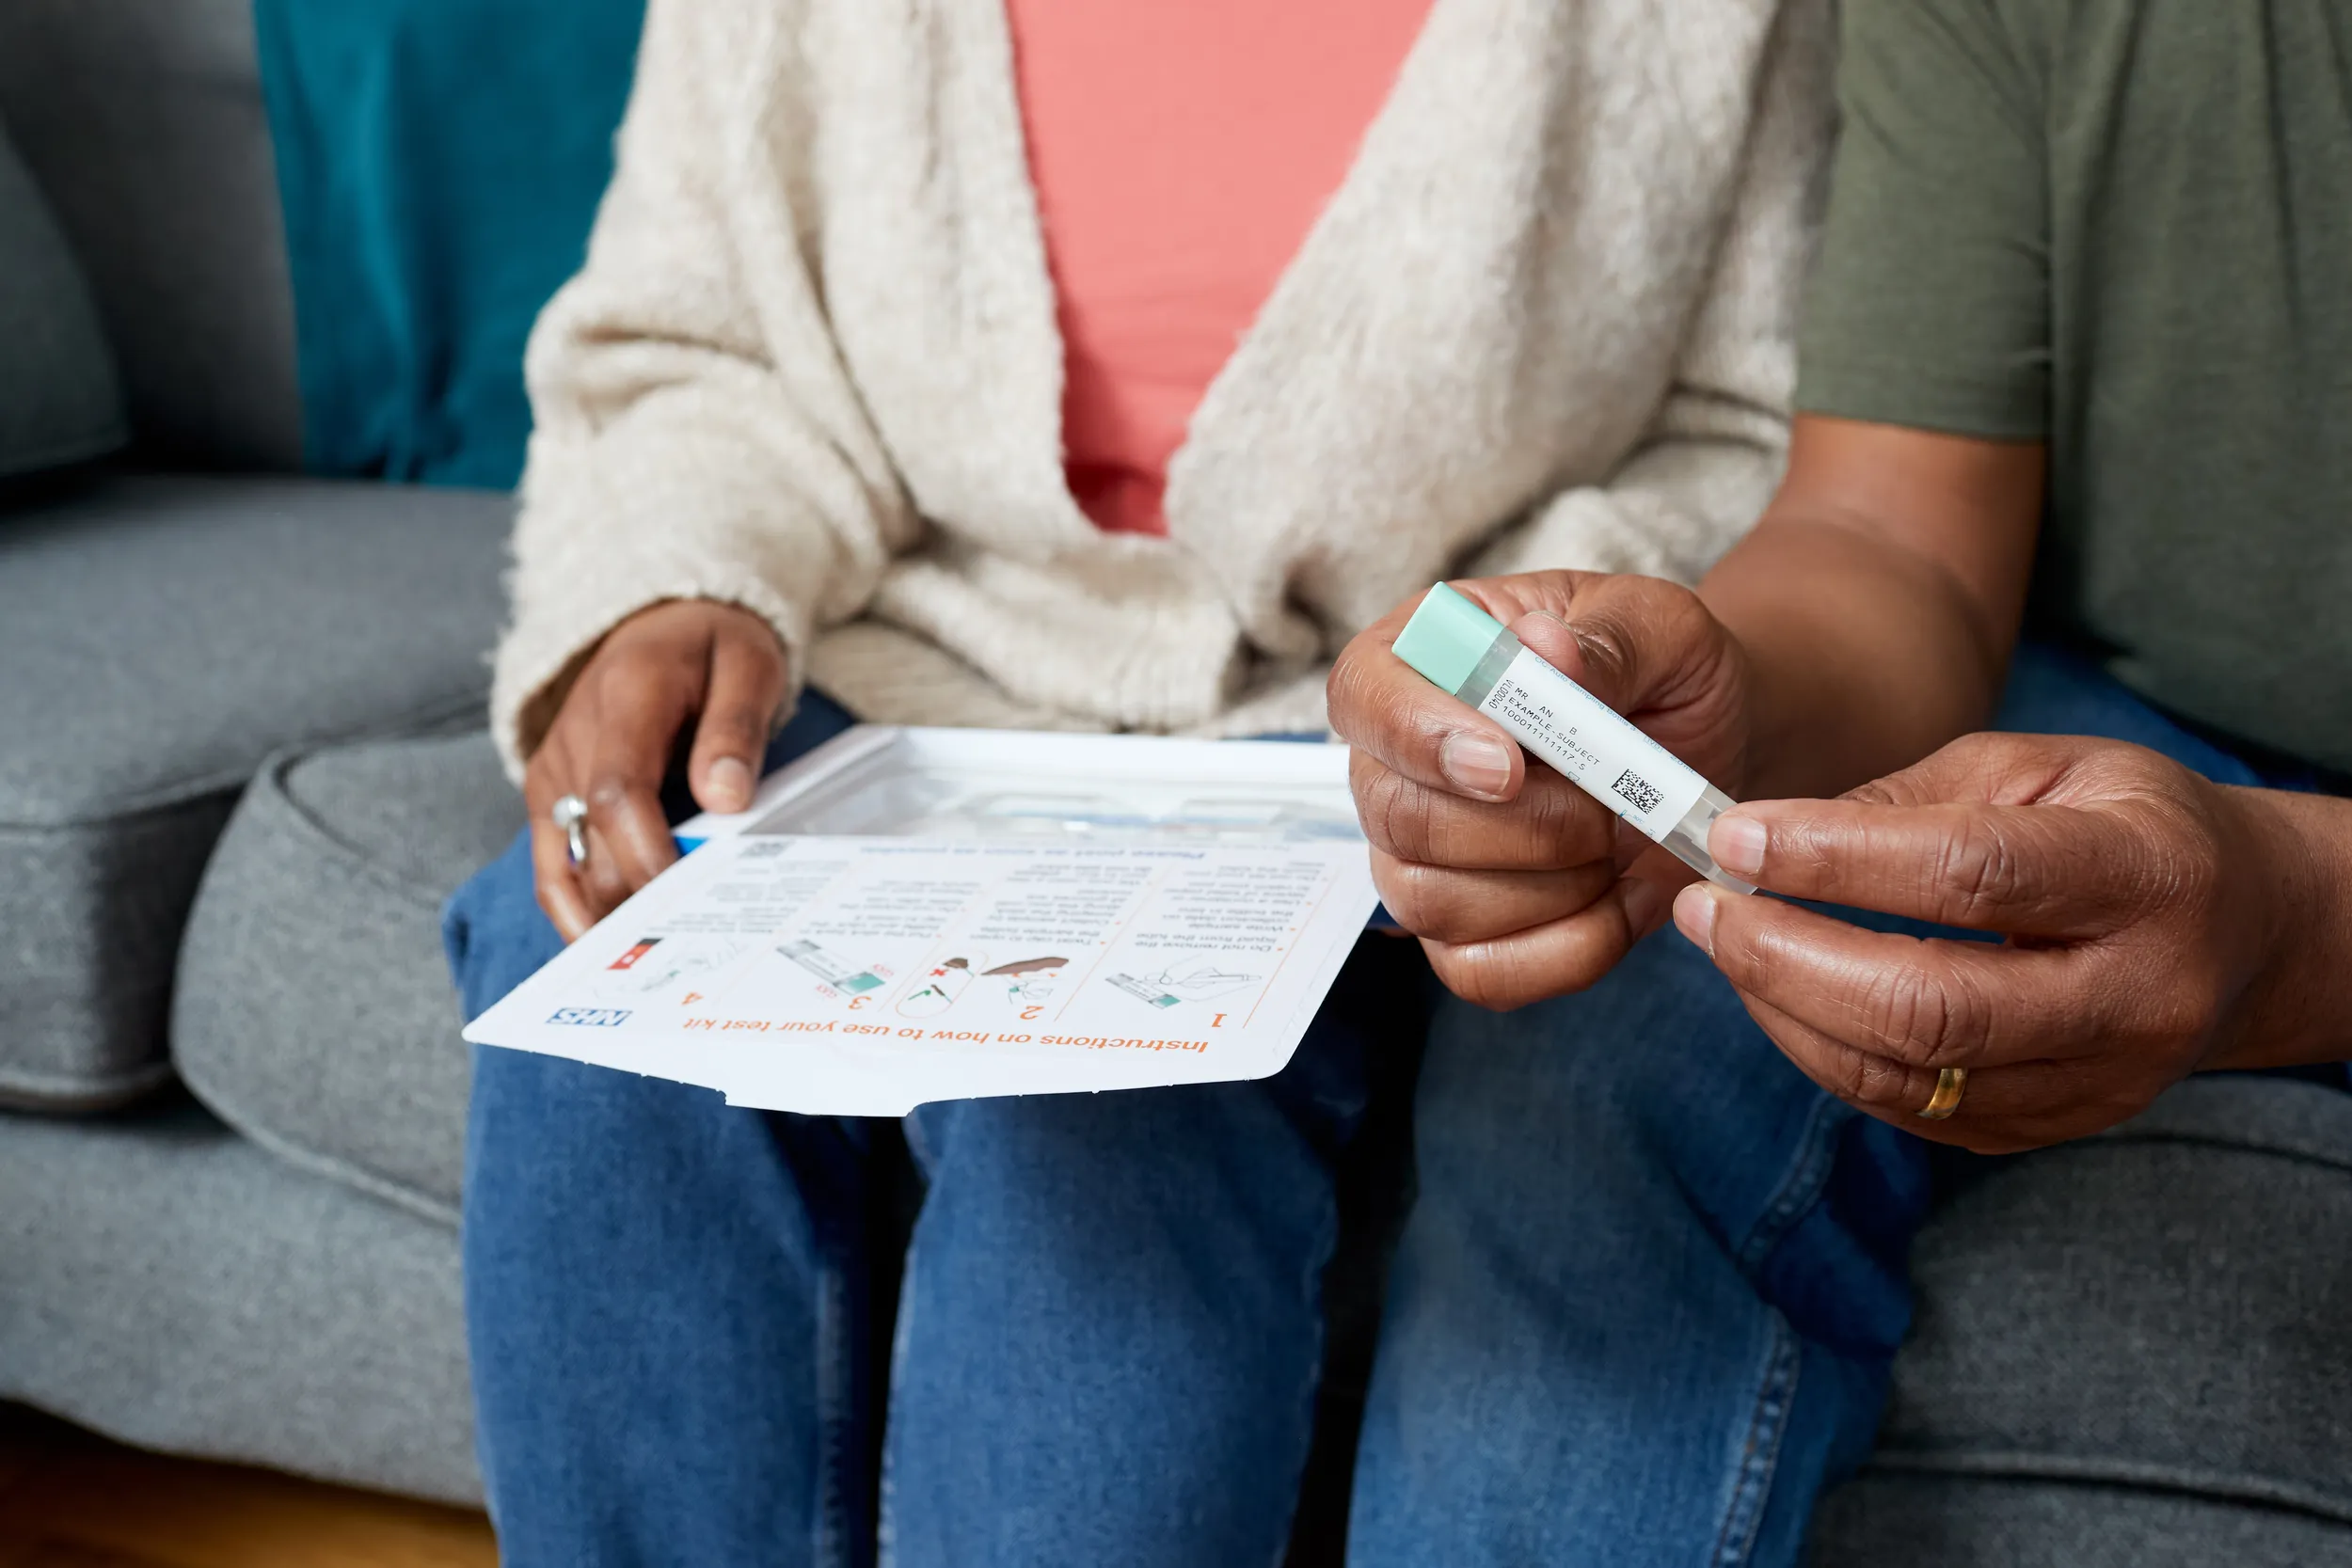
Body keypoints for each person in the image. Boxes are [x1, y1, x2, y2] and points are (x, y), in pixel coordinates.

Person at [447, 0, 1836, 1563]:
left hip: (1375, 710)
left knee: (1109, 1120)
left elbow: (1755, 434)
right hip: (898, 655)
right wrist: (665, 584)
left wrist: (1515, 675)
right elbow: (691, 348)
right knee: (589, 963)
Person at [1327, 0, 2352, 1560]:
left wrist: (2295, 924)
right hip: (2112, 712)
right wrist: (1694, 701)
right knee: (1618, 1024)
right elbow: (1896, 533)